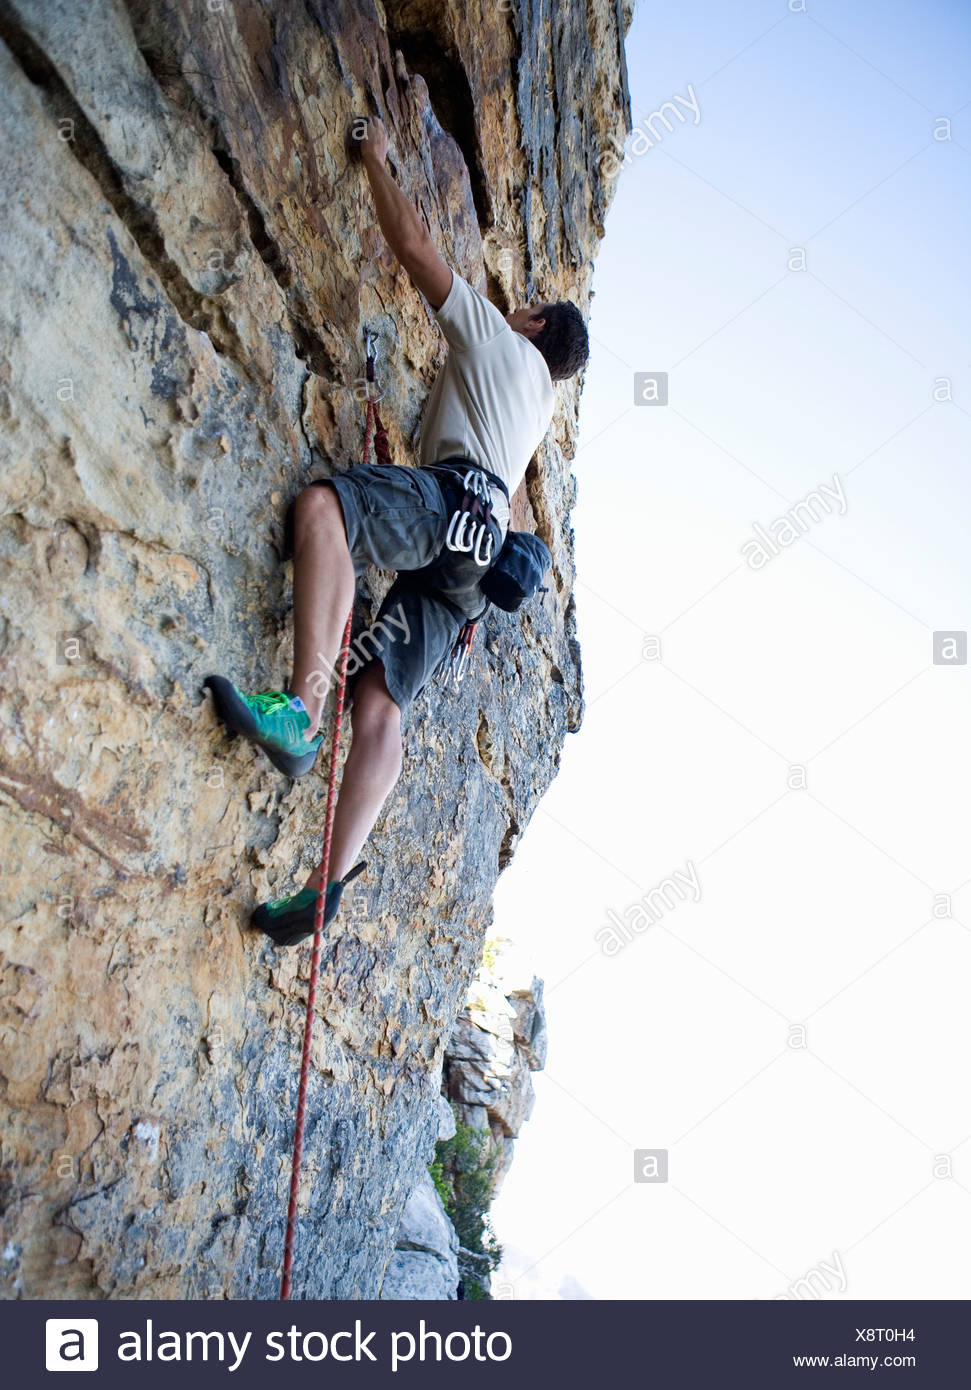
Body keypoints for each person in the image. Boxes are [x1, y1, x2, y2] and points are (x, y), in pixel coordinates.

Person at [205, 116, 589, 945]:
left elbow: (417, 251)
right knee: (378, 697)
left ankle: (303, 714)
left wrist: (376, 158)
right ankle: (330, 883)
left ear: (530, 323)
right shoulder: (533, 412)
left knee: (324, 510)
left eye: (517, 308)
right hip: (470, 569)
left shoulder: (504, 346)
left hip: (448, 509)